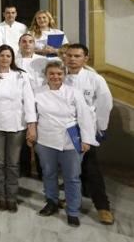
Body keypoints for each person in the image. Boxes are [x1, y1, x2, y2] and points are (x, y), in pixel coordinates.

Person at [29, 61, 97, 227]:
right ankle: (51, 201)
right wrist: (31, 134)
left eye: (59, 74)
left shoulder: (74, 93)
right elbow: (32, 115)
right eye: (51, 73)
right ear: (46, 75)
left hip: (70, 140)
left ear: (64, 75)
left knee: (72, 177)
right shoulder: (37, 93)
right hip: (45, 140)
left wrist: (87, 139)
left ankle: (73, 211)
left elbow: (84, 116)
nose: (55, 77)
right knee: (49, 173)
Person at [63, 44, 115, 224]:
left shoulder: (95, 79)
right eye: (69, 55)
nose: (72, 59)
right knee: (71, 169)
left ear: (86, 58)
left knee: (91, 169)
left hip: (86, 130)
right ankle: (73, 200)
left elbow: (105, 103)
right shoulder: (60, 77)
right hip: (65, 130)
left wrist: (101, 127)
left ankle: (103, 207)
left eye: (77, 56)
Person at [0, 45, 36, 212]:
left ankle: (12, 196)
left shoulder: (21, 75)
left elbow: (29, 100)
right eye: (1, 55)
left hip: (16, 125)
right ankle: (0, 196)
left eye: (8, 56)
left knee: (13, 164)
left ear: (12, 58)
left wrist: (31, 125)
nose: (5, 59)